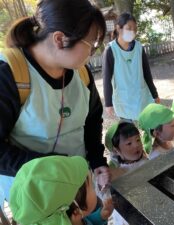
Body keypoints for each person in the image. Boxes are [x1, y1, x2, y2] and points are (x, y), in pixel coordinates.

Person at [0, 0, 110, 209]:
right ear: (60, 39)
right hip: (37, 199)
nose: (93, 53)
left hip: (78, 189)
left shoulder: (81, 73)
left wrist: (97, 161)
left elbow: (93, 119)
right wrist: (51, 167)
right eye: (92, 45)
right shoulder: (9, 75)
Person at [9, 156, 114, 225]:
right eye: (91, 185)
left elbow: (86, 221)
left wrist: (100, 217)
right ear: (76, 211)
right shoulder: (75, 219)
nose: (95, 187)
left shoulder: (71, 219)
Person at [102, 12, 160, 121]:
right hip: (123, 99)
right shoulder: (110, 50)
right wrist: (108, 103)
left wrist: (154, 94)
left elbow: (147, 73)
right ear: (119, 28)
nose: (132, 31)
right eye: (129, 28)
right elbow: (106, 78)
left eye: (135, 29)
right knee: (129, 134)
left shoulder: (138, 47)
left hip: (141, 96)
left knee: (147, 127)